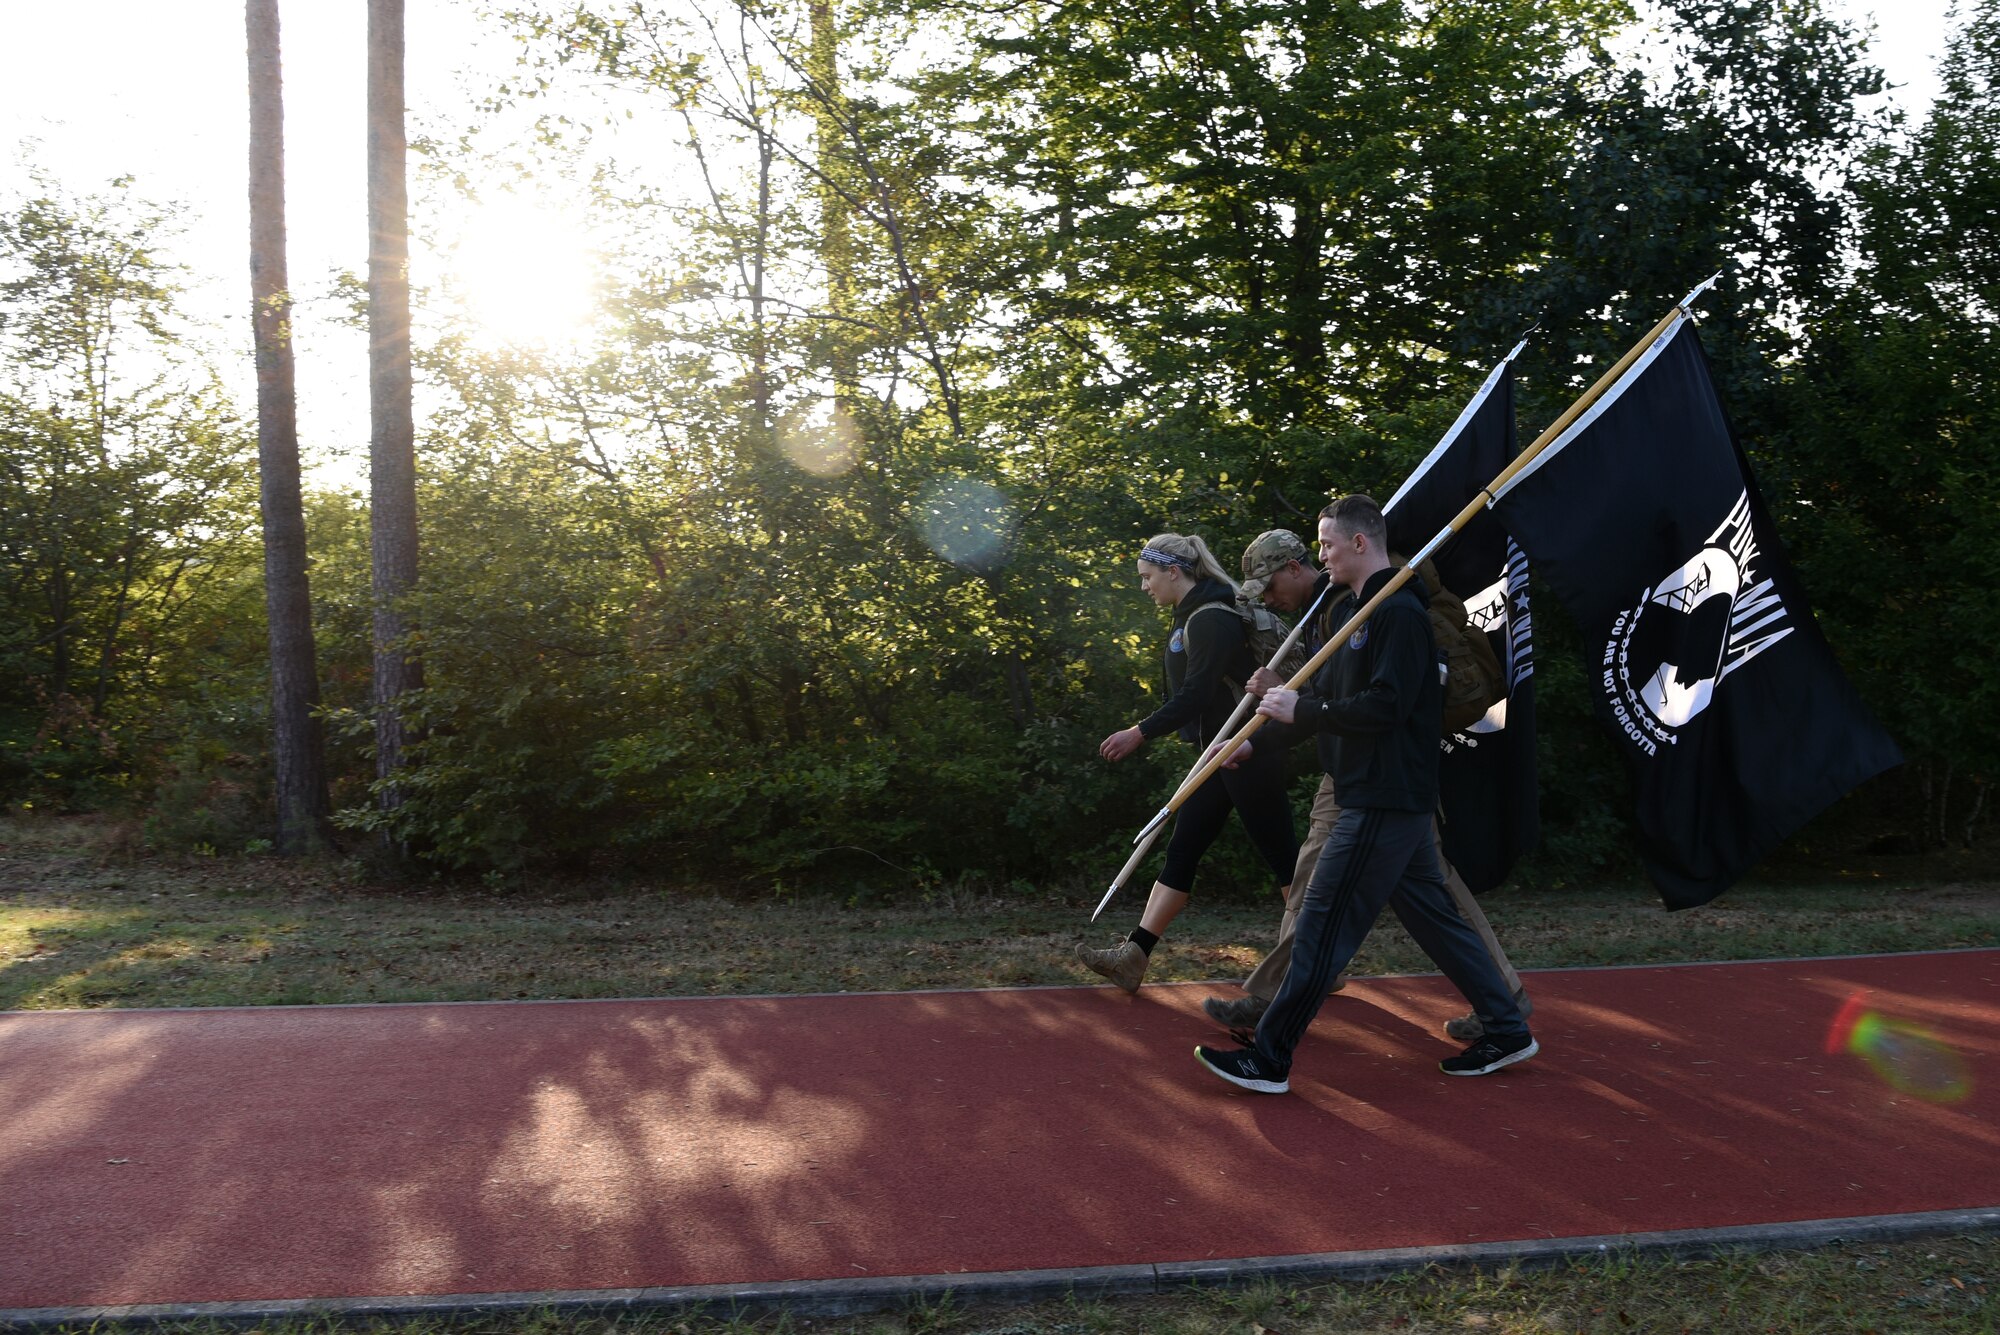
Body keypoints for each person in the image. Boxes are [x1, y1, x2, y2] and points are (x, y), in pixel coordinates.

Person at [1191, 496, 1537, 1093]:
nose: (1319, 556)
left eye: (1326, 545)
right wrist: (1284, 705)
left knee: (1323, 925)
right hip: (1376, 793)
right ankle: (1507, 1028)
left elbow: (1390, 706)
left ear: (1358, 543)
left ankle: (1270, 1058)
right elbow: (1335, 708)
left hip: (1381, 796)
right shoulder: (1354, 611)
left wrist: (1306, 704)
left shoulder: (1397, 612)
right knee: (1435, 920)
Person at [1079, 533, 1298, 994]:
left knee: (1282, 857)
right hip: (1217, 754)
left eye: (1148, 577)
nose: (1145, 587)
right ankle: (1134, 957)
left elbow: (1195, 694)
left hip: (1244, 752)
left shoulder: (1211, 619)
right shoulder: (1194, 616)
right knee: (1184, 848)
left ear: (1173, 572)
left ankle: (1318, 958)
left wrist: (1139, 732)